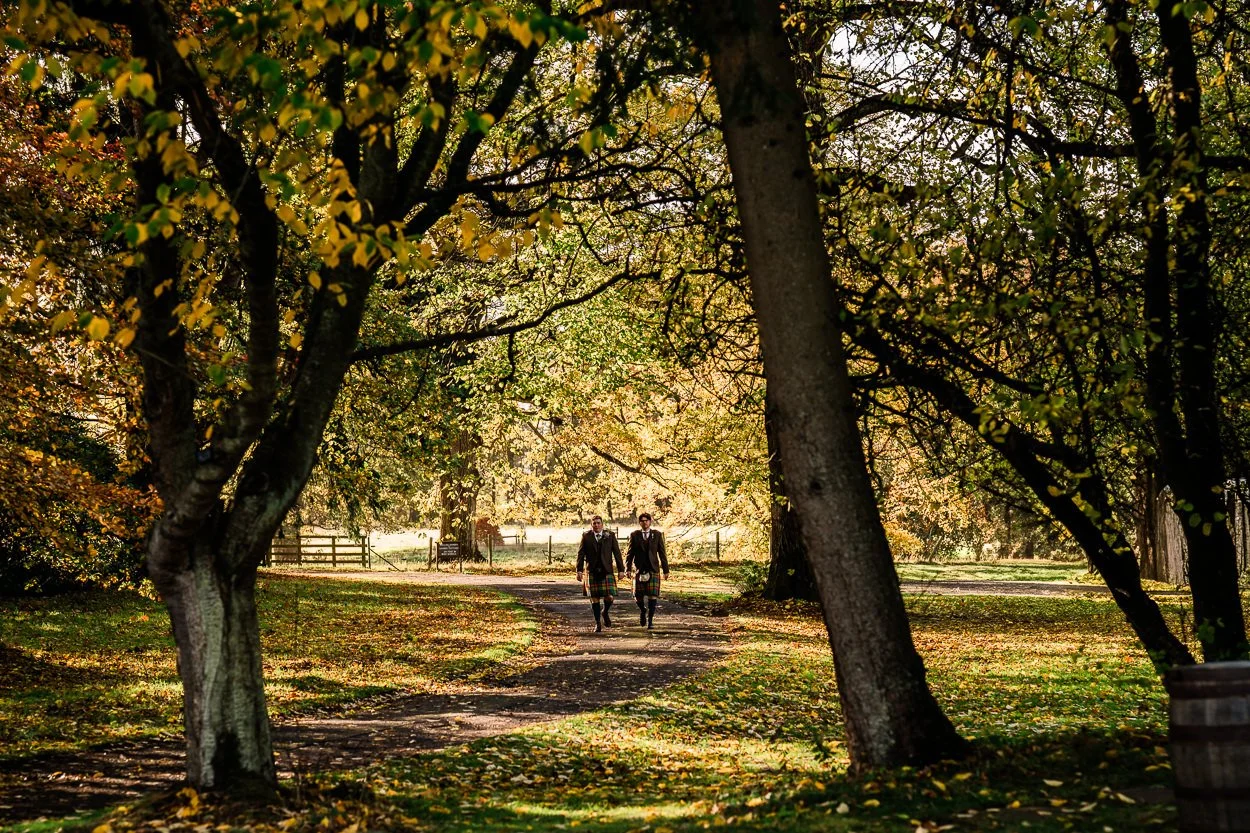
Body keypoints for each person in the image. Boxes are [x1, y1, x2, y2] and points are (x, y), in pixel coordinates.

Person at [576, 515, 625, 632]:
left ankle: (605, 611)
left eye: (598, 523)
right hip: (591, 570)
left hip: (606, 570)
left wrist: (621, 570)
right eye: (594, 523)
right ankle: (598, 623)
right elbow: (580, 554)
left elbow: (617, 553)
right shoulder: (586, 536)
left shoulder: (610, 535)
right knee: (594, 598)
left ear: (602, 524)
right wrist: (579, 570)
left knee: (609, 597)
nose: (596, 525)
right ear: (591, 525)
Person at [626, 512, 669, 629]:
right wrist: (628, 568)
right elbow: (630, 554)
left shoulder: (657, 535)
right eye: (642, 521)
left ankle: (650, 621)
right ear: (639, 523)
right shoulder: (634, 535)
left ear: (650, 522)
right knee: (637, 596)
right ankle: (642, 610)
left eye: (646, 520)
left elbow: (662, 553)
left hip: (653, 568)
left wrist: (666, 570)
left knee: (652, 595)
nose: (644, 523)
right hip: (640, 569)